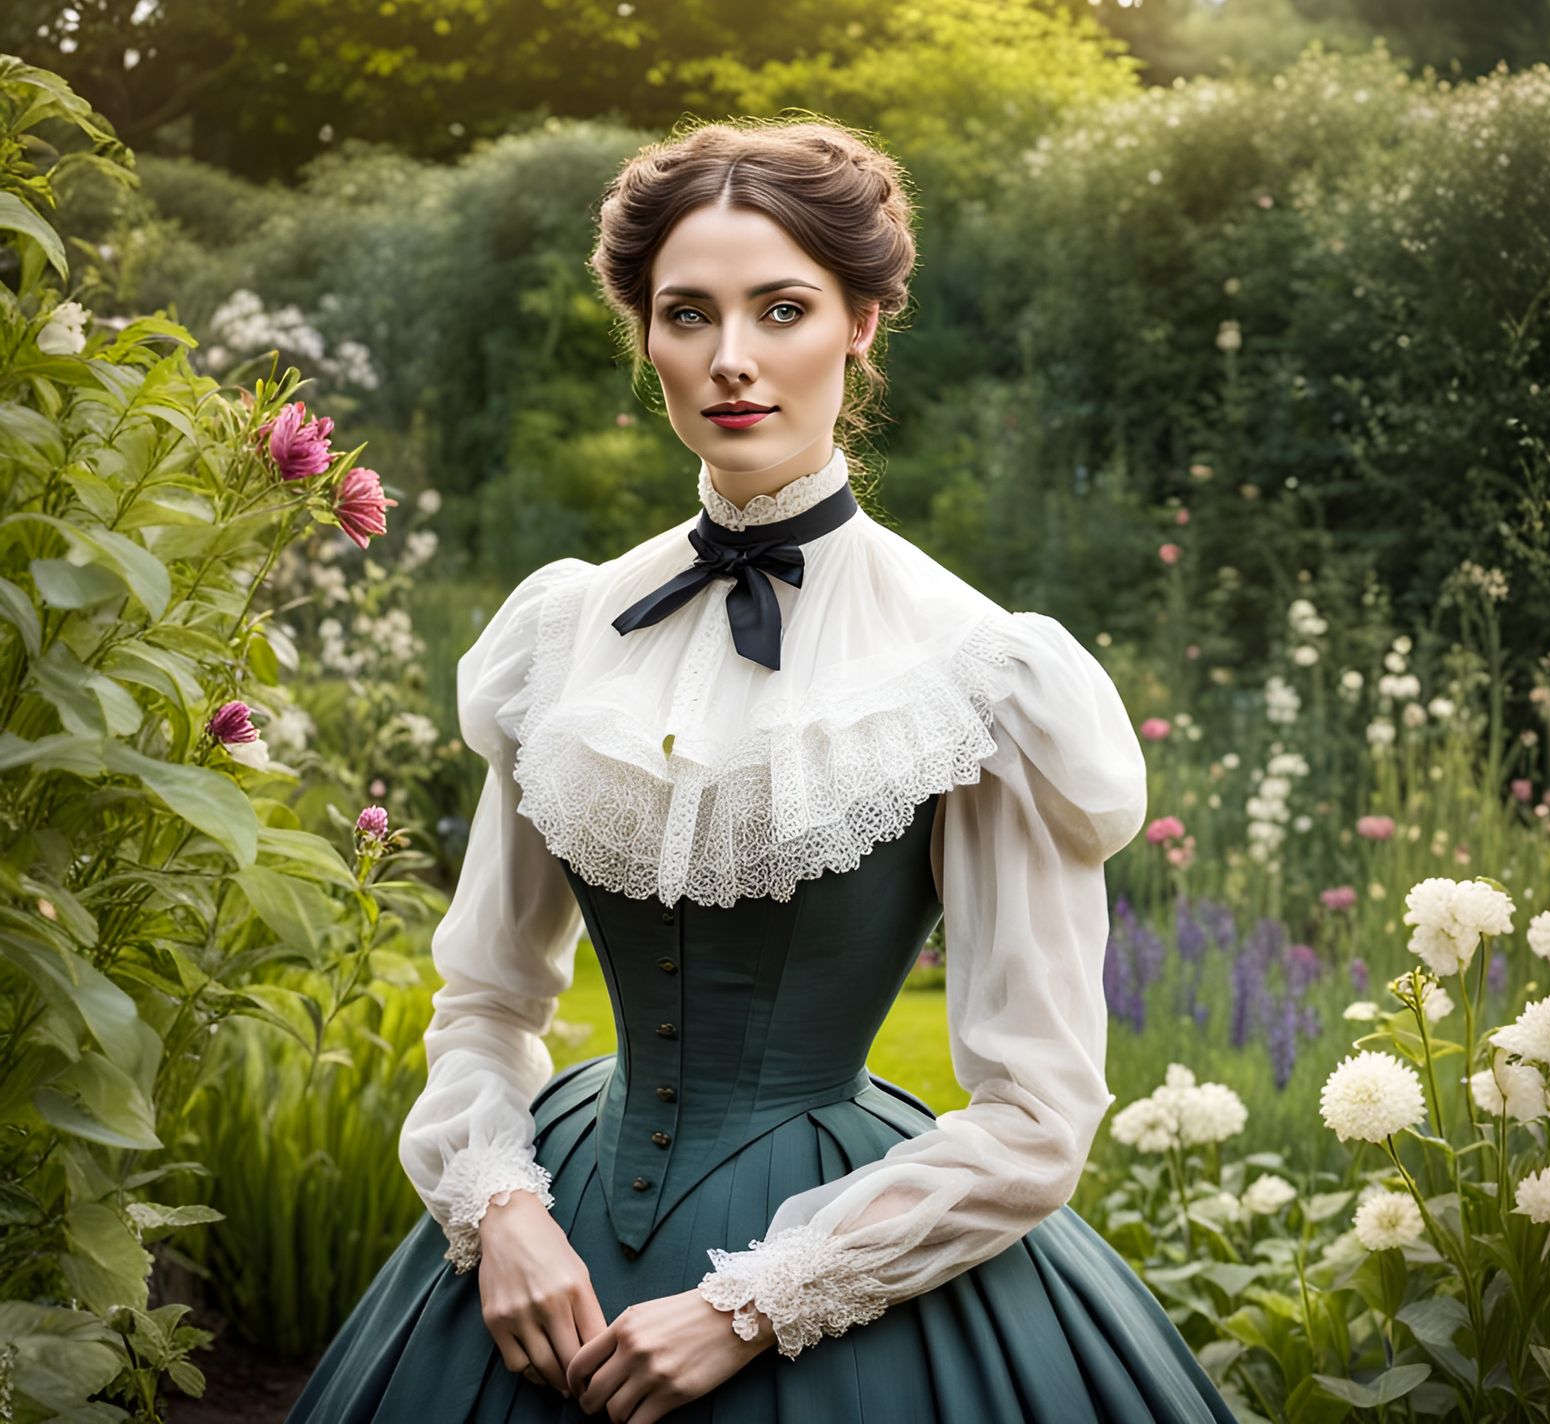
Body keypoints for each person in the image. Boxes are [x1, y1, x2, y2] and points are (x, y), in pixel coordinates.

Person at [287, 118, 1240, 1423]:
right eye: (688, 314)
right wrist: (499, 1211)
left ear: (861, 323)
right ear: (648, 338)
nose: (731, 357)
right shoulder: (564, 632)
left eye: (781, 310)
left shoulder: (975, 671)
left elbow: (1037, 1112)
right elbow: (487, 999)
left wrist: (756, 1303)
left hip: (831, 1273)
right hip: (549, 1250)